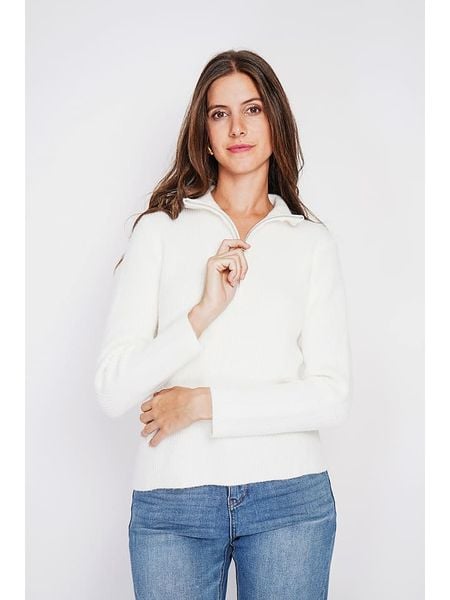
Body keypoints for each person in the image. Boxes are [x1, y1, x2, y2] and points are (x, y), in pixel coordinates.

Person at [94, 49, 353, 600]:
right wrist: (202, 313)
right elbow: (113, 389)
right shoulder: (159, 231)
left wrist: (202, 403)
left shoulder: (311, 242)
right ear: (204, 134)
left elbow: (331, 397)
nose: (237, 127)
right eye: (219, 113)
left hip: (289, 498)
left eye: (252, 109)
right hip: (175, 500)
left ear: (275, 122)